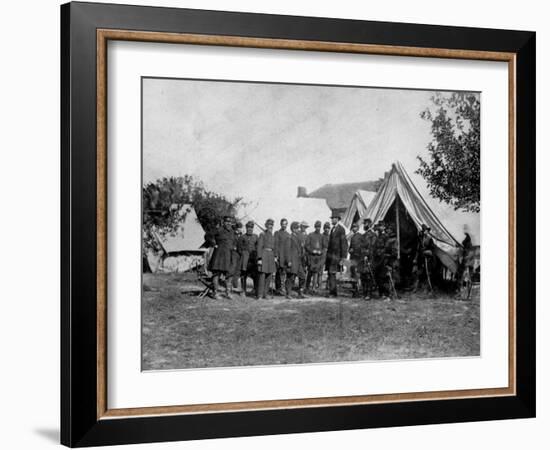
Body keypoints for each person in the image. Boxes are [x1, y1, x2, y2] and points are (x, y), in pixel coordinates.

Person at [207, 216, 237, 299]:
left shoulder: (232, 232)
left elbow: (235, 241)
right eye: (227, 222)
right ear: (223, 222)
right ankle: (215, 292)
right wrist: (214, 244)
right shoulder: (219, 229)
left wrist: (234, 246)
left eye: (230, 222)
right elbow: (208, 235)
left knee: (230, 273)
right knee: (216, 273)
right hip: (219, 255)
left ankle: (228, 292)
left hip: (229, 255)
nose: (228, 223)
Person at [325, 214, 348, 297]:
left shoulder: (341, 229)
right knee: (331, 274)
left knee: (332, 273)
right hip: (331, 256)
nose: (332, 220)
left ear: (338, 219)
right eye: (332, 218)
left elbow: (344, 244)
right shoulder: (332, 229)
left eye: (333, 218)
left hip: (336, 256)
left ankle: (333, 293)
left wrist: (343, 258)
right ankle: (332, 292)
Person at [284, 221, 306, 299]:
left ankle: (300, 292)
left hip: (298, 261)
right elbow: (287, 251)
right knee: (291, 278)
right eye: (296, 228)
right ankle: (288, 293)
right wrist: (289, 261)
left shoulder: (298, 237)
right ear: (293, 229)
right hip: (292, 261)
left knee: (303, 276)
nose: (298, 229)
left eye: (298, 228)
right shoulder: (289, 238)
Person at [256, 218, 277, 299]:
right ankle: (260, 295)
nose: (270, 226)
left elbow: (274, 247)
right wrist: (259, 258)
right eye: (269, 225)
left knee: (269, 275)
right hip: (264, 255)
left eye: (272, 225)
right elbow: (259, 247)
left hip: (271, 256)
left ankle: (265, 293)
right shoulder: (262, 234)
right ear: (266, 225)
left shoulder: (272, 235)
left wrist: (275, 257)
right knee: (262, 275)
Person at [237, 221, 258, 298]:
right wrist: (243, 253)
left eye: (251, 228)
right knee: (243, 275)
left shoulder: (256, 237)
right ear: (246, 228)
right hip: (245, 260)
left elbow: (257, 247)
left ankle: (255, 289)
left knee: (255, 275)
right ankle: (243, 290)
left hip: (253, 260)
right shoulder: (242, 237)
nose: (250, 229)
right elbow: (239, 249)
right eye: (248, 227)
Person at [305, 221, 325, 294]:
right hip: (311, 257)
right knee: (310, 273)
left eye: (319, 227)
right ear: (314, 227)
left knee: (316, 272)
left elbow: (324, 247)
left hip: (318, 258)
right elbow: (306, 245)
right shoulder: (310, 235)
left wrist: (321, 252)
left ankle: (314, 288)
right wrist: (312, 251)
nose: (318, 228)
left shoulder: (322, 236)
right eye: (317, 227)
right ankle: (306, 287)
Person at [415, 223, 435, 292]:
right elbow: (418, 248)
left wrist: (428, 252)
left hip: (428, 258)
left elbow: (432, 249)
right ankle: (418, 286)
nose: (426, 232)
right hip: (421, 257)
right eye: (425, 231)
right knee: (420, 271)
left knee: (428, 272)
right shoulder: (420, 238)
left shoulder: (430, 239)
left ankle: (429, 287)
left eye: (427, 231)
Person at [373, 221, 390, 299]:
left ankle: (386, 294)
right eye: (379, 226)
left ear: (384, 227)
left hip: (383, 259)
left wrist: (380, 252)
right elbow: (375, 247)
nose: (380, 227)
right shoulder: (378, 236)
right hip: (377, 259)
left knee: (383, 277)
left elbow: (387, 247)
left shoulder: (386, 236)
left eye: (381, 226)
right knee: (378, 276)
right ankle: (381, 293)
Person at [360, 218, 377, 300]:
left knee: (368, 275)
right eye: (364, 224)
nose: (364, 225)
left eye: (365, 224)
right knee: (363, 275)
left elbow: (372, 247)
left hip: (370, 258)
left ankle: (369, 294)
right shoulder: (363, 235)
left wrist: (367, 255)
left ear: (369, 224)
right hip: (363, 258)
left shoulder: (373, 235)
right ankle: (364, 292)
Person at [274, 218, 290, 295]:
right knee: (278, 272)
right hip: (279, 255)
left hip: (285, 256)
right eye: (283, 224)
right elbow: (276, 245)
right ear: (280, 224)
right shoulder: (277, 233)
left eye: (285, 224)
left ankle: (282, 288)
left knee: (283, 273)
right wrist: (276, 255)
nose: (284, 225)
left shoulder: (288, 235)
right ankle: (278, 288)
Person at [348, 222, 364, 297]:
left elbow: (362, 247)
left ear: (358, 228)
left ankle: (358, 291)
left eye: (355, 227)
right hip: (352, 258)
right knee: (353, 274)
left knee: (357, 275)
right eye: (353, 227)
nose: (353, 229)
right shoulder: (352, 237)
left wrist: (355, 251)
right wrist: (350, 250)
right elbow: (350, 247)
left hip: (358, 258)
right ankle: (354, 291)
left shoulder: (360, 236)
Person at [228, 221, 243, 296]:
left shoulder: (241, 235)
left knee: (238, 269)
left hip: (239, 254)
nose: (240, 229)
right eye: (239, 228)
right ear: (236, 228)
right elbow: (230, 243)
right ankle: (229, 287)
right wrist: (233, 247)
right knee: (232, 268)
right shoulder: (233, 234)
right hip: (234, 253)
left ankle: (235, 285)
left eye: (241, 228)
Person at [320, 222, 331, 290]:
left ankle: (328, 285)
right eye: (325, 228)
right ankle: (319, 284)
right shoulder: (321, 236)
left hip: (329, 254)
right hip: (323, 253)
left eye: (328, 228)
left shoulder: (330, 236)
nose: (327, 229)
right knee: (320, 270)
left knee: (330, 270)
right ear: (324, 229)